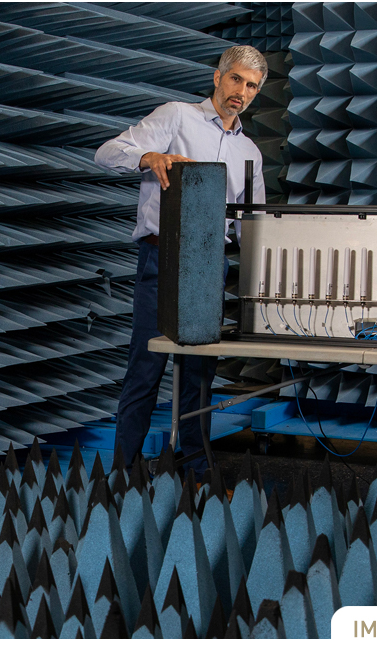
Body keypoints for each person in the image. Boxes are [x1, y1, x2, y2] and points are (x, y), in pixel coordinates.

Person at [94, 45, 267, 472]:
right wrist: (147, 156)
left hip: (211, 268)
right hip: (161, 260)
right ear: (217, 77)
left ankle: (194, 470)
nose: (240, 92)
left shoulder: (251, 153)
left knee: (199, 377)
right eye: (235, 80)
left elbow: (253, 227)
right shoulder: (176, 117)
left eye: (251, 86)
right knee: (145, 370)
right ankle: (124, 473)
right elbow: (106, 152)